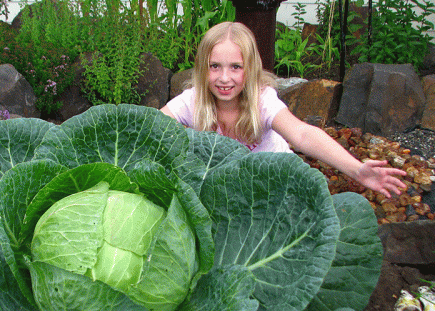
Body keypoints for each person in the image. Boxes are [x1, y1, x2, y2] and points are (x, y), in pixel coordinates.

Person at [160, 22, 406, 198]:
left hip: (276, 187)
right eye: (215, 66)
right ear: (203, 68)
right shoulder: (192, 101)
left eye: (236, 67)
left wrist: (358, 170)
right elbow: (149, 127)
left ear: (251, 69)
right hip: (229, 192)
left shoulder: (262, 100)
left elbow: (302, 134)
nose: (225, 78)